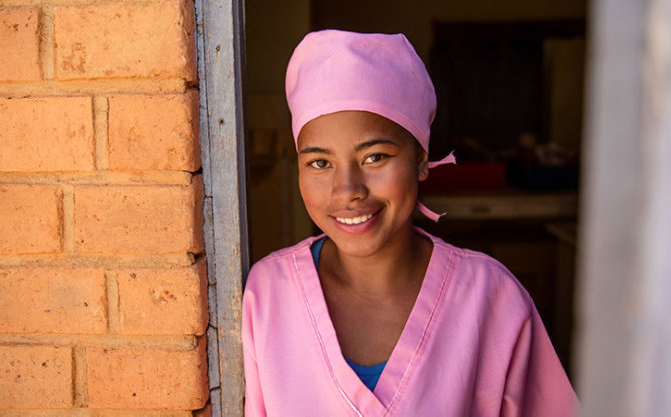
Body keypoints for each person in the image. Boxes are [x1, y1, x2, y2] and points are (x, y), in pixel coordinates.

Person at [241, 29, 577, 416]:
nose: (347, 190)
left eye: (375, 158)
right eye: (320, 163)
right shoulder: (267, 297)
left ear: (421, 159)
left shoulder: (491, 299)